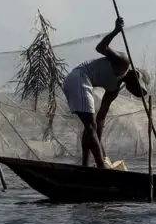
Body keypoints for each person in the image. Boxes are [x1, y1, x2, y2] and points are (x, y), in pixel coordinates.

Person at [62, 17, 150, 169]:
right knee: (90, 125)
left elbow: (100, 120)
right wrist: (116, 31)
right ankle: (101, 167)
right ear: (136, 77)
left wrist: (103, 151)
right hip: (79, 78)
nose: (135, 92)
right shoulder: (123, 62)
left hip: (79, 83)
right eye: (137, 88)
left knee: (91, 126)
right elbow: (101, 47)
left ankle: (86, 165)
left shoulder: (113, 90)